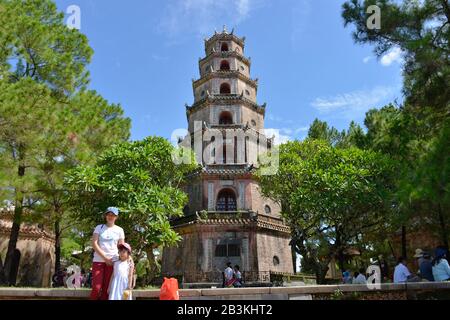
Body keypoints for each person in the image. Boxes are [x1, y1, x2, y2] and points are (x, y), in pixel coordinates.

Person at [90, 207, 125, 300]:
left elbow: (122, 247)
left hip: (113, 262)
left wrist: (127, 261)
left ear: (116, 217)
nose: (110, 217)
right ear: (106, 216)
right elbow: (94, 243)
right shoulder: (99, 227)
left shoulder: (120, 230)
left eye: (113, 215)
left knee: (107, 290)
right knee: (96, 288)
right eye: (109, 214)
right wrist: (105, 258)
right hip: (98, 261)